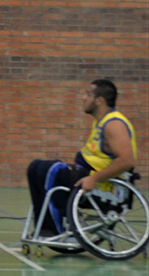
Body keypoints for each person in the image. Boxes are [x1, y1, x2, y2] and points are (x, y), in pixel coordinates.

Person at [27, 80, 137, 235]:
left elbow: (127, 161)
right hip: (91, 175)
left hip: (108, 187)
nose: (83, 98)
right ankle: (45, 228)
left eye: (88, 94)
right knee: (35, 167)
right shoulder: (100, 122)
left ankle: (64, 231)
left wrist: (94, 178)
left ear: (100, 101)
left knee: (52, 170)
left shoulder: (114, 124)